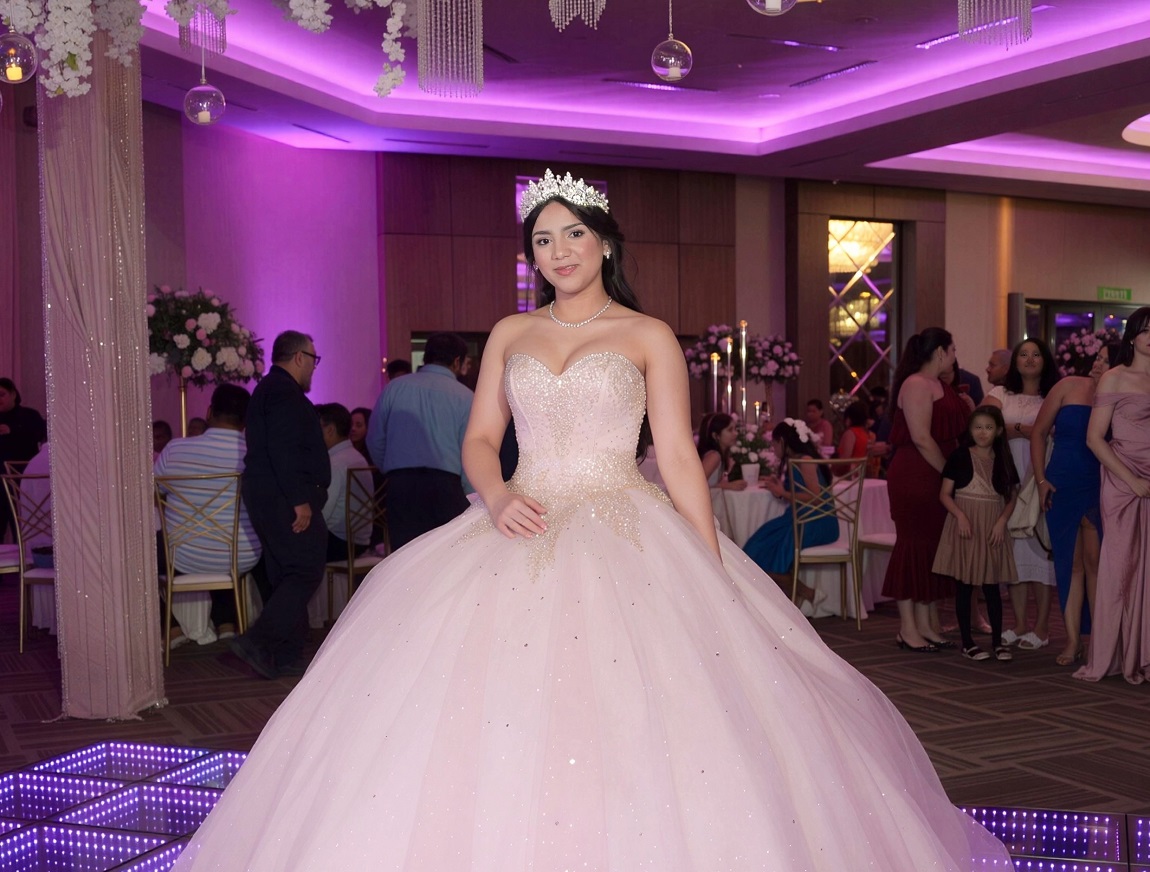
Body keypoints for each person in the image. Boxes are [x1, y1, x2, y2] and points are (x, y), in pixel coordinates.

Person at [169, 171, 1011, 871]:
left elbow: (675, 453)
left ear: (604, 241)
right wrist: (498, 495)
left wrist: (707, 558)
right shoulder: (511, 331)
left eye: (572, 234)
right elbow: (480, 439)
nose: (559, 251)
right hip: (522, 514)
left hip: (624, 519)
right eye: (543, 240)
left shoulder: (648, 334)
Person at [230, 331, 330, 680]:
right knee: (305, 569)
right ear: (300, 357)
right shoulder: (285, 393)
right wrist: (300, 500)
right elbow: (285, 450)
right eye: (313, 359)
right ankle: (258, 641)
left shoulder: (268, 389)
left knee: (286, 572)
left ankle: (285, 654)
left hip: (269, 494)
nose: (314, 367)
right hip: (285, 496)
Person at [881, 328, 968, 652]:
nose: (955, 356)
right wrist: (949, 472)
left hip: (933, 470)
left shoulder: (938, 383)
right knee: (912, 546)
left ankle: (925, 624)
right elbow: (920, 437)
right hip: (917, 473)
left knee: (930, 547)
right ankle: (908, 628)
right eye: (953, 349)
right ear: (941, 352)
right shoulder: (916, 383)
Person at [1075, 307, 1150, 684]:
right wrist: (1132, 480)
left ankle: (1144, 652)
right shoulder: (1114, 377)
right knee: (1121, 566)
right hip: (1123, 480)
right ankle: (1115, 654)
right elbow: (1094, 438)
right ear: (1133, 336)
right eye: (1146, 330)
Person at [154, 384, 262, 646]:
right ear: (247, 420)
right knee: (223, 534)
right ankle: (226, 623)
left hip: (182, 555)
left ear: (209, 412)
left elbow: (154, 493)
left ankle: (171, 628)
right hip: (242, 555)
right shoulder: (257, 453)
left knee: (131, 556)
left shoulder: (175, 449)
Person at [1030, 340, 1115, 666]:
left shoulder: (1119, 395)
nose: (1097, 364)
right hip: (1061, 484)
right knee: (1068, 564)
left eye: (1105, 361)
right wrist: (1041, 481)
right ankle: (1072, 640)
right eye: (1097, 358)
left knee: (1096, 565)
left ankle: (1097, 642)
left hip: (1099, 485)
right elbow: (1039, 432)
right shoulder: (1067, 386)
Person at [366, 332, 474, 550]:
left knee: (404, 556)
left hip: (401, 484)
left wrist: (392, 469)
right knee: (444, 556)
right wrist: (470, 494)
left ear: (426, 356)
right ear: (457, 361)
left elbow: (375, 439)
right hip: (446, 487)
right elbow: (470, 451)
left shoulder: (395, 388)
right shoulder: (466, 396)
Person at [984, 339, 1058, 651]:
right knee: (1013, 556)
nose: (1029, 359)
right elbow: (983, 425)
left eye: (1036, 354)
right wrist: (1026, 429)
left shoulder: (1054, 395)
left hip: (1040, 478)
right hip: (1007, 479)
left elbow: (1057, 432)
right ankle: (1019, 623)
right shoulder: (1001, 393)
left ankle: (1041, 627)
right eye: (1023, 354)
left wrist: (1013, 428)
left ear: (1045, 360)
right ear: (1014, 361)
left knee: (1039, 552)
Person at [933, 406, 1019, 662]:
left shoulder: (1003, 459)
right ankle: (967, 643)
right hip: (967, 526)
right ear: (970, 430)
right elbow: (944, 494)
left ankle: (997, 642)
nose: (983, 432)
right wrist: (960, 516)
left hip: (992, 527)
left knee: (992, 586)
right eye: (978, 427)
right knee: (965, 585)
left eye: (988, 427)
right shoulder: (960, 456)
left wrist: (1002, 521)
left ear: (999, 431)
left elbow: (1011, 497)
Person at [744, 418, 837, 616]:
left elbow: (816, 497)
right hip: (799, 518)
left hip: (817, 521)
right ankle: (804, 595)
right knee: (756, 548)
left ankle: (804, 595)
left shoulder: (805, 460)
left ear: (783, 442)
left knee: (763, 552)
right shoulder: (795, 461)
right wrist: (781, 488)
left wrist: (783, 492)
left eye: (774, 443)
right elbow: (799, 493)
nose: (773, 448)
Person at [316, 402, 373, 563]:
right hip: (361, 539)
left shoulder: (334, 463)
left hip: (340, 542)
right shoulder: (358, 457)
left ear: (329, 430)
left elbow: (323, 513)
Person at [0, 377, 47, 542]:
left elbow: (41, 434)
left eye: (2, 394)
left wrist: (12, 431)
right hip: (0, 481)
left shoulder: (29, 416)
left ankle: (24, 555)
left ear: (13, 394)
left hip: (22, 481)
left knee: (22, 527)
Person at [695, 412, 747, 490]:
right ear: (716, 435)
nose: (736, 433)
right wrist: (727, 486)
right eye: (730, 430)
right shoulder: (714, 456)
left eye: (735, 429)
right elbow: (696, 484)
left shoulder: (720, 455)